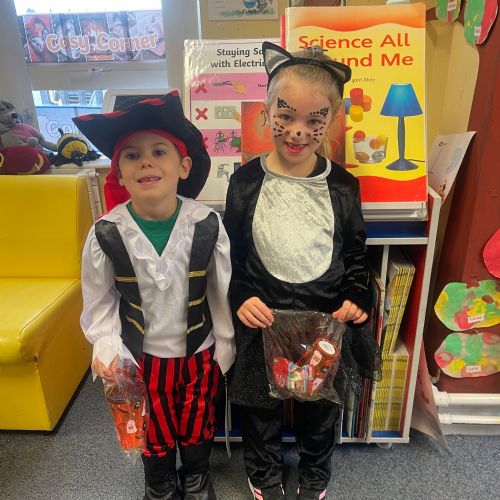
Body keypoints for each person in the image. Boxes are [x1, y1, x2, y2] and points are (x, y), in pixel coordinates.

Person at [223, 42, 381, 500]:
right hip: (263, 317)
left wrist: (357, 296)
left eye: (314, 120)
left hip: (323, 318)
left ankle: (315, 472)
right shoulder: (245, 182)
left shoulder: (343, 186)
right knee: (260, 408)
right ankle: (264, 473)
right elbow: (232, 254)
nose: (297, 131)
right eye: (286, 116)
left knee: (320, 408)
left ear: (332, 120)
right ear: (266, 110)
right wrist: (240, 295)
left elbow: (355, 253)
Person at [74, 91, 235, 500]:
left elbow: (220, 291)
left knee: (198, 418)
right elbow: (100, 300)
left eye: (159, 152)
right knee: (154, 424)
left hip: (199, 351)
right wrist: (106, 343)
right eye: (132, 155)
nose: (145, 161)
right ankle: (160, 483)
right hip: (143, 357)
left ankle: (196, 478)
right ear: (119, 173)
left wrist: (225, 341)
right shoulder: (106, 233)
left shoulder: (207, 224)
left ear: (183, 166)